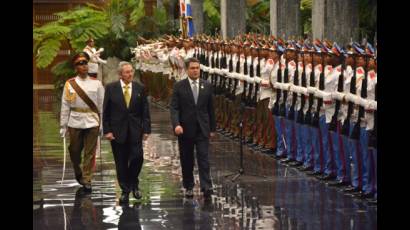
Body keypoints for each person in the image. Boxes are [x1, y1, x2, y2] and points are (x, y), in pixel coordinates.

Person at [103, 62, 151, 204]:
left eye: (131, 71)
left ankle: (133, 183)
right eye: (127, 72)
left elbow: (145, 111)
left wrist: (147, 129)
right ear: (120, 74)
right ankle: (125, 190)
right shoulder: (111, 88)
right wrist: (107, 130)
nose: (130, 74)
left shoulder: (139, 88)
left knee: (138, 157)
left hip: (136, 130)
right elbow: (106, 111)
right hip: (117, 132)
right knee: (121, 162)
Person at [170, 57, 216, 199]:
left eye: (197, 68)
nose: (195, 71)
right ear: (186, 69)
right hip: (185, 129)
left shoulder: (207, 85)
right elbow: (174, 108)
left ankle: (206, 186)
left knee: (203, 158)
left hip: (202, 128)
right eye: (192, 68)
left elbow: (211, 109)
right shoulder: (179, 86)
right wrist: (176, 124)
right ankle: (189, 186)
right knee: (187, 159)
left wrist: (212, 129)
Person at [60, 52, 105, 193]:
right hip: (75, 121)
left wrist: (102, 124)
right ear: (75, 67)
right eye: (80, 63)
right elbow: (65, 105)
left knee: (90, 152)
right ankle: (78, 171)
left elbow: (101, 105)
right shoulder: (70, 84)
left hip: (92, 121)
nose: (84, 66)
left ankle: (87, 179)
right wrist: (63, 125)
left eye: (85, 62)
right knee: (74, 150)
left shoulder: (97, 84)